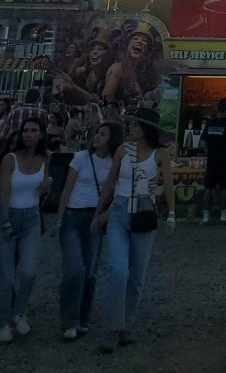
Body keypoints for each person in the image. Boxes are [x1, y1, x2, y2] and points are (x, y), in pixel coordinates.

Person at [92, 106, 175, 352]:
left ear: (146, 129)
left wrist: (171, 213)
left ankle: (126, 324)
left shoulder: (160, 153)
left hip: (144, 210)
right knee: (119, 270)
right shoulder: (121, 151)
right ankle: (113, 328)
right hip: (119, 211)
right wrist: (99, 212)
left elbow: (168, 184)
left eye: (136, 124)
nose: (131, 127)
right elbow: (110, 182)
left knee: (137, 274)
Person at [56, 121, 123, 341]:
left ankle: (83, 318)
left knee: (91, 271)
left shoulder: (115, 162)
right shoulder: (81, 158)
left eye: (103, 134)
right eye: (97, 133)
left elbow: (117, 191)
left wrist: (105, 214)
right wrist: (59, 218)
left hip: (95, 217)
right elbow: (67, 188)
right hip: (73, 214)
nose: (97, 137)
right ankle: (69, 320)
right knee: (74, 269)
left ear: (111, 139)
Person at [0, 119, 51, 342]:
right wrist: (4, 221)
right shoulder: (9, 160)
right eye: (26, 130)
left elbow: (41, 193)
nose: (29, 134)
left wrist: (47, 185)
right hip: (9, 217)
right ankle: (3, 323)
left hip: (31, 218)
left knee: (29, 271)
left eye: (34, 130)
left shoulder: (45, 158)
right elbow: (3, 193)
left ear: (41, 134)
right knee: (7, 277)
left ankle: (19, 312)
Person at [200, 99, 226, 225]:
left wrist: (208, 153)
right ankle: (224, 215)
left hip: (211, 161)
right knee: (224, 188)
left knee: (208, 188)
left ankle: (205, 216)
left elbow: (203, 143)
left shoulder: (209, 124)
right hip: (225, 161)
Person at [0, 88, 48, 158]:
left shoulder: (14, 112)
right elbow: (44, 134)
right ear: (38, 99)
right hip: (33, 151)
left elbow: (3, 134)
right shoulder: (42, 113)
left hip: (14, 148)